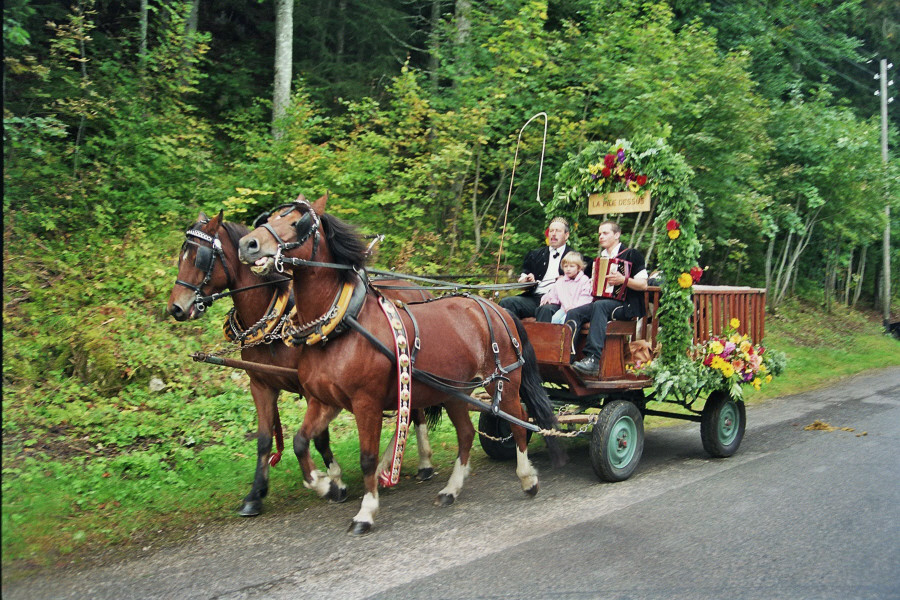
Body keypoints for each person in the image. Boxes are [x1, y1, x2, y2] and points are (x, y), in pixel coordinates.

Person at [569, 220, 648, 378]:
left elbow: (643, 285)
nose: (601, 237)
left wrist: (623, 280)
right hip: (606, 303)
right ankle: (567, 356)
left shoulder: (632, 254)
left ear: (617, 235)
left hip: (627, 305)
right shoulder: (601, 258)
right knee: (574, 313)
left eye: (605, 233)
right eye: (599, 234)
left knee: (600, 306)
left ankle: (593, 359)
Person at [499, 217, 589, 320]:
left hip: (559, 300)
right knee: (507, 303)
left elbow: (582, 281)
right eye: (551, 231)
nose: (553, 234)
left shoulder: (574, 256)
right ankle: (512, 336)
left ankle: (542, 337)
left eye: (558, 231)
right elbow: (524, 275)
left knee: (545, 309)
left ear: (566, 235)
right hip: (535, 298)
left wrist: (566, 279)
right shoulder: (535, 254)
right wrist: (526, 280)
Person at [537, 251, 593, 324]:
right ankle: (554, 335)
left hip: (576, 309)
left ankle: (566, 335)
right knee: (554, 320)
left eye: (572, 266)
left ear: (579, 268)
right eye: (565, 266)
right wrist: (547, 297)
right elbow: (553, 294)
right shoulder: (561, 282)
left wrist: (574, 307)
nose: (568, 269)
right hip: (564, 308)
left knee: (565, 321)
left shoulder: (584, 280)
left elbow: (586, 298)